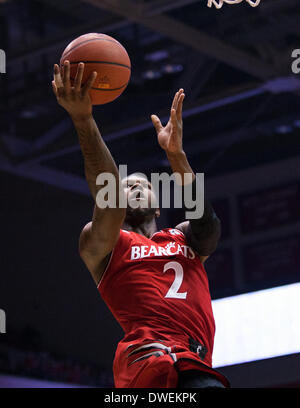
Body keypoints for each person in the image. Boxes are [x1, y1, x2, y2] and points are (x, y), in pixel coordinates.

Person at [52, 61, 230, 389]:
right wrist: (84, 118)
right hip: (152, 362)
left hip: (194, 364)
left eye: (143, 184)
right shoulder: (103, 243)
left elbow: (210, 227)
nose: (133, 187)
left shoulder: (182, 237)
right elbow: (108, 199)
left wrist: (176, 157)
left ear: (158, 206)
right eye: (126, 184)